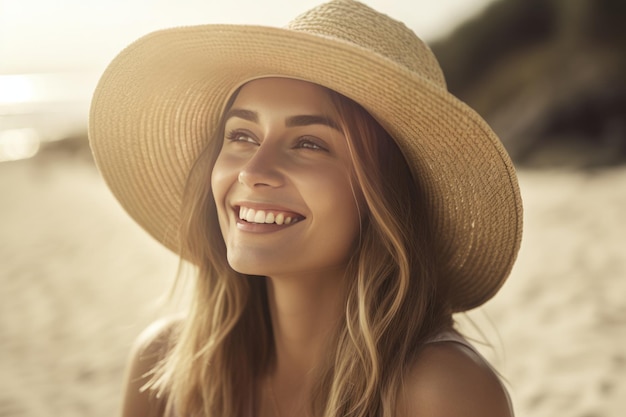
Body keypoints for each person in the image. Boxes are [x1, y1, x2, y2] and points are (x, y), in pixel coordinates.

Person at [89, 1, 523, 416]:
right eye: (242, 135)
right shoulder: (164, 367)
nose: (253, 171)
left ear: (384, 194)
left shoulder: (441, 391)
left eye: (309, 143)